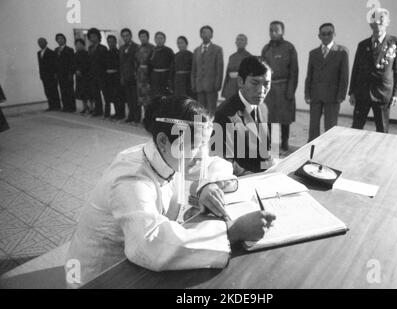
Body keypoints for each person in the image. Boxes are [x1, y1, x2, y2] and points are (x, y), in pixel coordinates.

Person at [65, 95, 276, 288]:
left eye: (205, 144)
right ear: (164, 141)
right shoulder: (130, 179)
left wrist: (207, 185)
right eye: (196, 145)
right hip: (100, 275)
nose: (203, 154)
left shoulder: (165, 153)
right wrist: (233, 232)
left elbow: (215, 163)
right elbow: (151, 244)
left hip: (132, 263)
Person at [215, 56, 275, 176]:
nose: (261, 90)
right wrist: (252, 175)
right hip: (240, 182)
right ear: (240, 82)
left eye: (266, 84)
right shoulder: (225, 114)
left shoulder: (263, 108)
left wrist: (273, 168)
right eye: (255, 83)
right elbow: (222, 162)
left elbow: (265, 151)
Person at [349, 8, 397, 133]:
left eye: (381, 20)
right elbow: (356, 69)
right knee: (356, 128)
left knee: (382, 130)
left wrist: (396, 94)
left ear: (388, 22)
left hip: (383, 93)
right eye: (374, 20)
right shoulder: (363, 45)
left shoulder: (395, 43)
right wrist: (352, 91)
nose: (377, 23)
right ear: (370, 23)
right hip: (363, 93)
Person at [304, 23, 349, 142]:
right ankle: (311, 150)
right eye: (323, 34)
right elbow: (309, 75)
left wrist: (341, 95)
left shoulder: (341, 52)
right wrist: (307, 94)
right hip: (315, 94)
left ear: (334, 34)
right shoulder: (313, 53)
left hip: (332, 96)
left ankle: (329, 149)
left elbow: (344, 76)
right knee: (313, 126)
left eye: (329, 33)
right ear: (319, 36)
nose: (326, 36)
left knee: (330, 126)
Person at [262, 21, 299, 152]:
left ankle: (284, 142)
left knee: (284, 118)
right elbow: (262, 70)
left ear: (282, 31)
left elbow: (294, 71)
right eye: (271, 30)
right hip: (270, 89)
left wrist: (290, 90)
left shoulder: (289, 48)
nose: (273, 33)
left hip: (284, 87)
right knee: (270, 117)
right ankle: (272, 143)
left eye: (276, 30)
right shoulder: (266, 49)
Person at [191, 25, 224, 115]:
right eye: (203, 33)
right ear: (200, 35)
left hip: (212, 86)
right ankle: (199, 128)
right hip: (199, 86)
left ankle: (211, 128)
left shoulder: (217, 50)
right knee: (199, 110)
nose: (205, 35)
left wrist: (218, 85)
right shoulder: (196, 50)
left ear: (211, 35)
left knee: (211, 110)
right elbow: (193, 70)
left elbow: (219, 69)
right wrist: (193, 84)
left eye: (208, 33)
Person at [119, 28, 140, 123]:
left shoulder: (137, 47)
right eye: (123, 36)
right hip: (125, 76)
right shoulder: (122, 48)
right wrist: (122, 76)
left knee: (135, 98)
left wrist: (137, 74)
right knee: (128, 98)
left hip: (134, 76)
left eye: (127, 35)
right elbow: (121, 63)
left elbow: (139, 62)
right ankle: (130, 115)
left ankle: (137, 117)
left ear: (131, 36)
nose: (125, 37)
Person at [221, 34, 251, 100]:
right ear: (235, 42)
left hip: (242, 86)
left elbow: (250, 75)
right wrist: (225, 90)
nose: (239, 41)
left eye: (242, 40)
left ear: (246, 43)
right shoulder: (232, 57)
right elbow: (227, 75)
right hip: (230, 86)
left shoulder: (249, 57)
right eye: (238, 40)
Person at [87, 28, 108, 117]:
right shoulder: (90, 48)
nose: (93, 38)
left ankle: (107, 111)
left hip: (102, 74)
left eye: (94, 36)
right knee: (95, 94)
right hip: (92, 75)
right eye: (91, 37)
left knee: (105, 94)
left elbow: (105, 63)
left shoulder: (103, 48)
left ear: (98, 37)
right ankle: (98, 110)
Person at [37, 37, 61, 111]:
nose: (40, 44)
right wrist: (41, 75)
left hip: (51, 75)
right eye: (39, 42)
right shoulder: (38, 53)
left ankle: (57, 106)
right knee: (47, 91)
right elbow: (40, 65)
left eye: (42, 42)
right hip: (44, 76)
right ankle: (51, 105)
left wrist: (55, 74)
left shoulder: (51, 52)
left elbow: (55, 64)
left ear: (46, 42)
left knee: (54, 90)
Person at [54, 33, 76, 112]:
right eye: (58, 39)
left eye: (61, 38)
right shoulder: (56, 50)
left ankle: (72, 107)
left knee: (69, 90)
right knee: (62, 90)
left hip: (67, 74)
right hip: (60, 74)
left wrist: (71, 73)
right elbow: (55, 63)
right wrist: (56, 73)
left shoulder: (69, 50)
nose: (60, 40)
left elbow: (72, 62)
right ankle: (65, 106)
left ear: (64, 39)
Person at [149, 32, 174, 98]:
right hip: (155, 77)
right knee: (156, 96)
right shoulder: (152, 51)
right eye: (157, 38)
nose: (159, 40)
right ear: (154, 40)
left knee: (166, 96)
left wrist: (170, 78)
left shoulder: (169, 51)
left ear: (164, 40)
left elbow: (172, 65)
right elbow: (149, 65)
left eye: (161, 38)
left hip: (165, 76)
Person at [135, 29, 154, 109]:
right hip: (140, 75)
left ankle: (150, 117)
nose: (143, 38)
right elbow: (135, 61)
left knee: (149, 96)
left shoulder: (152, 48)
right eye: (141, 37)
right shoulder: (138, 48)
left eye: (144, 36)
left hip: (148, 74)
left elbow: (153, 63)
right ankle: (145, 117)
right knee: (141, 96)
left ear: (148, 37)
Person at [74, 39, 91, 114]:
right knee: (81, 93)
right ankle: (85, 107)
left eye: (79, 44)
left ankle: (92, 107)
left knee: (89, 92)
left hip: (86, 76)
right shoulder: (75, 54)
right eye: (76, 44)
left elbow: (88, 64)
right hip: (79, 77)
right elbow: (73, 64)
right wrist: (76, 70)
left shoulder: (87, 53)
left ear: (83, 45)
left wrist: (81, 70)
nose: (78, 46)